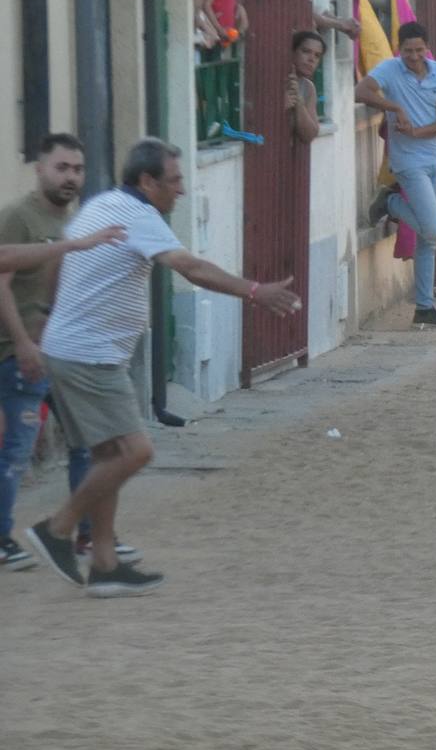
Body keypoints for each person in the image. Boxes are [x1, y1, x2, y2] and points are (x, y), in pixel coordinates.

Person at [25, 139, 298, 597]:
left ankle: (106, 566)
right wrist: (255, 291)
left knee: (109, 456)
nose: (182, 191)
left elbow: (61, 258)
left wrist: (53, 315)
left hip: (81, 349)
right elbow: (189, 267)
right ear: (147, 182)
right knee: (136, 452)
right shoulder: (139, 216)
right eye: (174, 181)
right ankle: (58, 528)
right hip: (88, 354)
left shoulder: (104, 204)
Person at [0, 135, 136, 571]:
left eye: (77, 169)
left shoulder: (79, 220)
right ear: (40, 169)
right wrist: (22, 342)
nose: (70, 177)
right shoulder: (19, 217)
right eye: (61, 168)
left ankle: (89, 536)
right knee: (18, 452)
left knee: (92, 448)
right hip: (20, 354)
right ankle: (2, 540)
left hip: (64, 353)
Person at [355, 22, 436, 327]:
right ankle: (390, 203)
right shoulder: (390, 69)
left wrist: (416, 130)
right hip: (407, 162)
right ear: (399, 49)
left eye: (418, 50)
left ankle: (424, 307)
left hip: (435, 159)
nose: (413, 57)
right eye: (407, 51)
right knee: (432, 227)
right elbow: (361, 90)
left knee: (428, 239)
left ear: (427, 48)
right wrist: (394, 107)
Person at [286, 30, 324, 145]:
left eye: (317, 56)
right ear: (292, 52)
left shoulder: (308, 87)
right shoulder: (276, 79)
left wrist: (298, 100)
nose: (311, 59)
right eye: (306, 51)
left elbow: (309, 135)